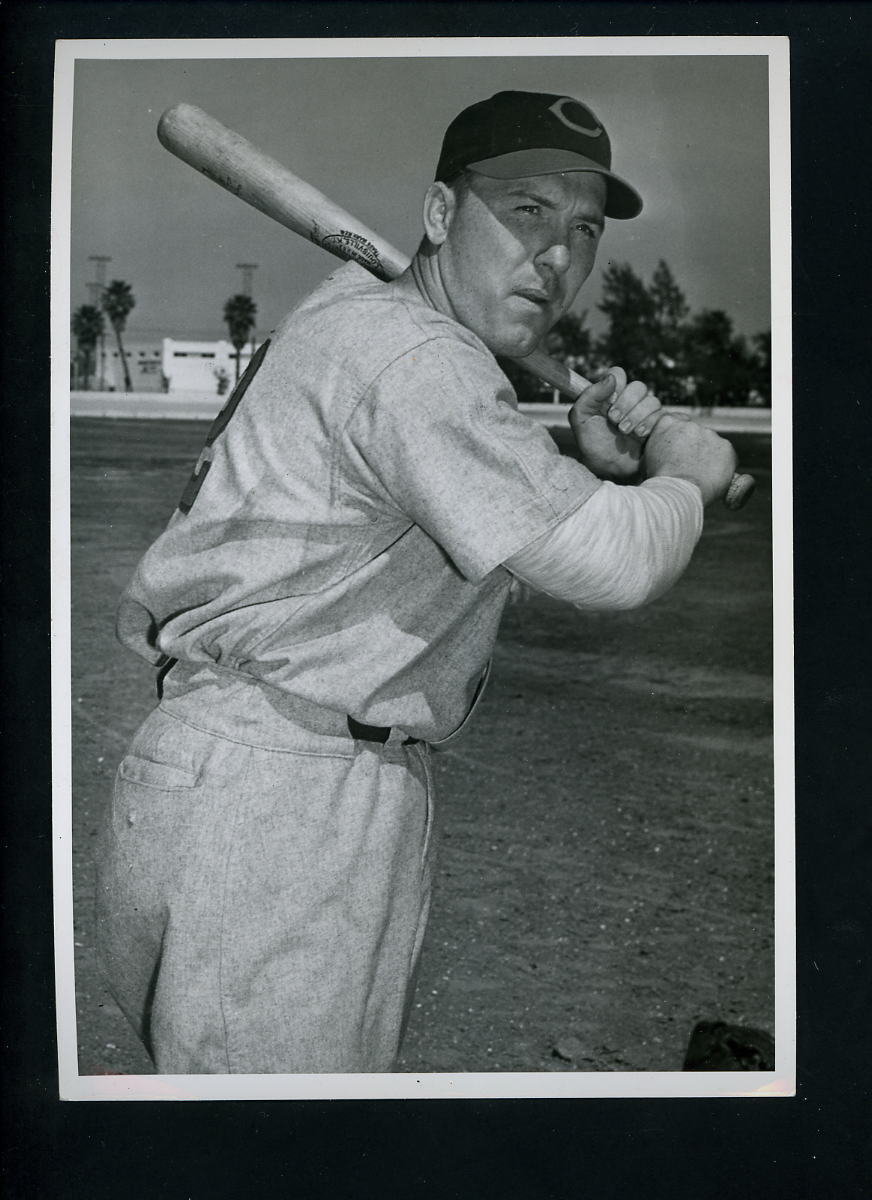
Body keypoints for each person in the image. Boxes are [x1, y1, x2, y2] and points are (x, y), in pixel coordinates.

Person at [96, 90, 737, 1074]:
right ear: (440, 215)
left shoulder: (371, 328)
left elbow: (424, 497)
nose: (556, 254)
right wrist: (681, 478)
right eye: (523, 211)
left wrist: (590, 461)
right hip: (281, 805)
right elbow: (610, 561)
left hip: (243, 775)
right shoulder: (416, 358)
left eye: (581, 229)